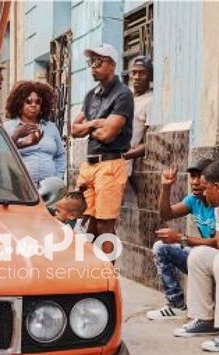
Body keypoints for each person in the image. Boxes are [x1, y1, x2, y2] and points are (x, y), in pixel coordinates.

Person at [174, 160, 219, 352]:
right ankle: (204, 319)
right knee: (199, 255)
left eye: (206, 189)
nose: (203, 194)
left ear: (217, 187)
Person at [71, 43, 134, 256]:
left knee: (105, 226)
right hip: (89, 165)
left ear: (112, 64)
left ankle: (107, 278)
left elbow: (108, 134)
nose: (93, 67)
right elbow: (74, 129)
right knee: (86, 223)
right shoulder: (90, 95)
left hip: (110, 164)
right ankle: (89, 274)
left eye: (98, 62)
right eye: (91, 62)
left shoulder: (123, 94)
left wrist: (89, 126)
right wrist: (95, 123)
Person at [147, 158, 216, 320]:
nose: (196, 182)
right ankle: (176, 304)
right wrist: (166, 187)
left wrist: (180, 238)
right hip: (201, 258)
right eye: (193, 177)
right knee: (161, 247)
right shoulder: (194, 200)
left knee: (199, 254)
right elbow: (166, 214)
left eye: (201, 177)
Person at [4, 81, 66, 186]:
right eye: (28, 101)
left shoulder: (51, 127)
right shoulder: (8, 127)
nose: (33, 105)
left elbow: (60, 155)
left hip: (49, 188)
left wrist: (57, 178)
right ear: (19, 103)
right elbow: (3, 154)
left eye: (38, 102)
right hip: (21, 187)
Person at [122, 55, 153, 176]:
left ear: (150, 76)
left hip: (122, 166)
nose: (136, 77)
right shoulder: (124, 96)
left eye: (142, 73)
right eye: (133, 73)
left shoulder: (150, 101)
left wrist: (123, 155)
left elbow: (149, 143)